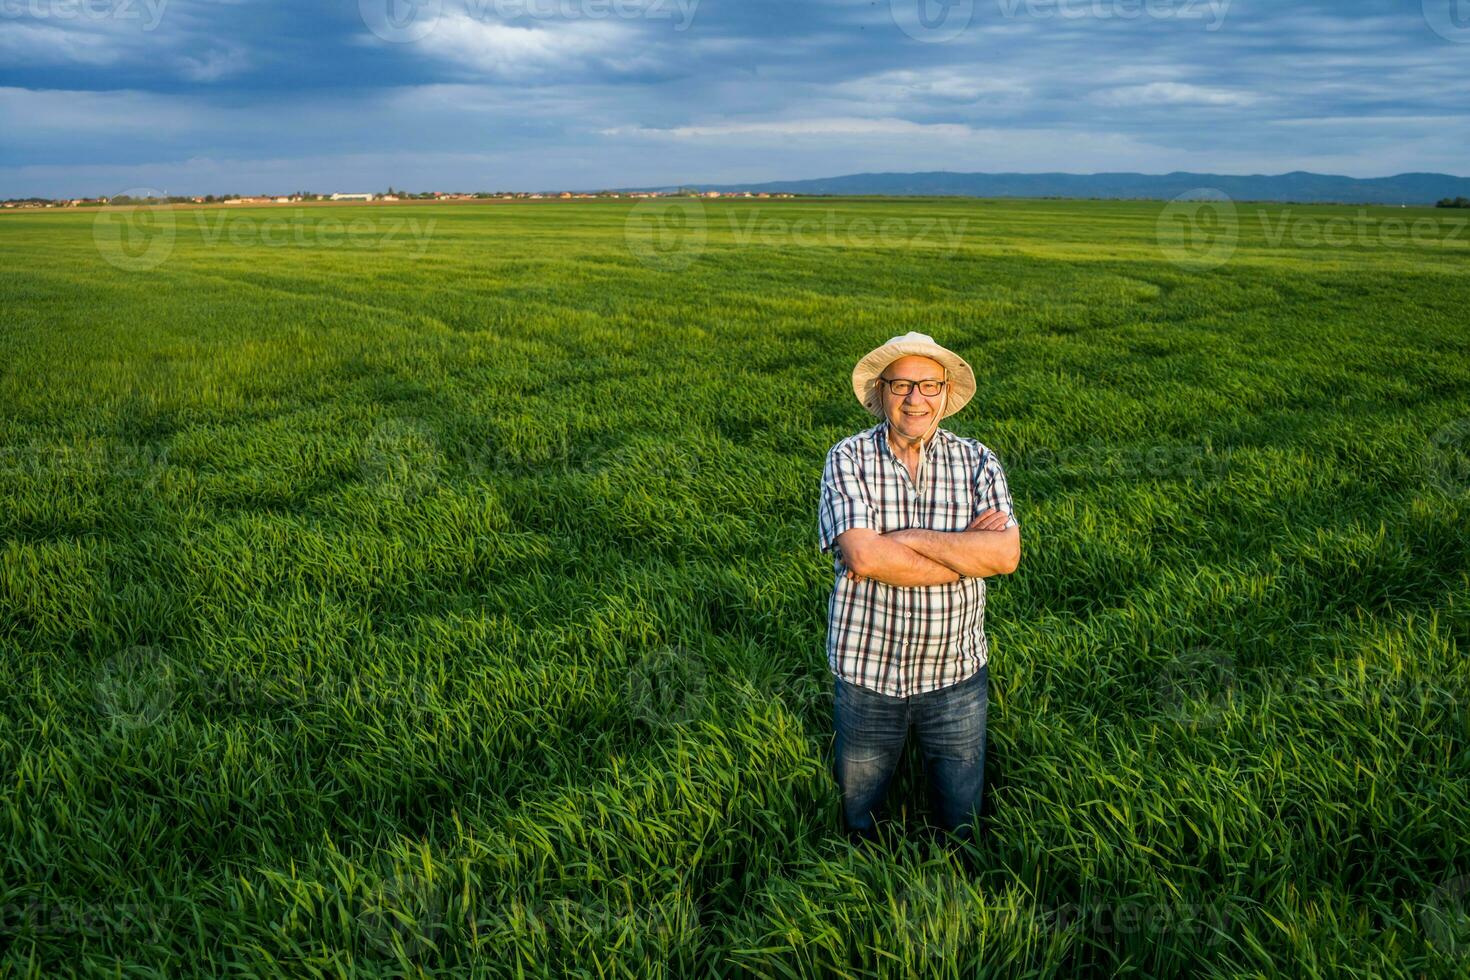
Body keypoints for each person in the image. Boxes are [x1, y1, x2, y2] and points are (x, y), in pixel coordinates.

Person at [817, 332, 1021, 845]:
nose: (916, 398)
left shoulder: (978, 461)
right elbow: (864, 556)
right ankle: (862, 888)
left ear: (944, 392)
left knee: (961, 818)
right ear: (881, 393)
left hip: (955, 675)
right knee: (858, 814)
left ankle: (960, 892)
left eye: (928, 385)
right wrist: (965, 554)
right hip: (867, 674)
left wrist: (904, 541)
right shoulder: (847, 459)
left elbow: (1005, 556)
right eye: (902, 384)